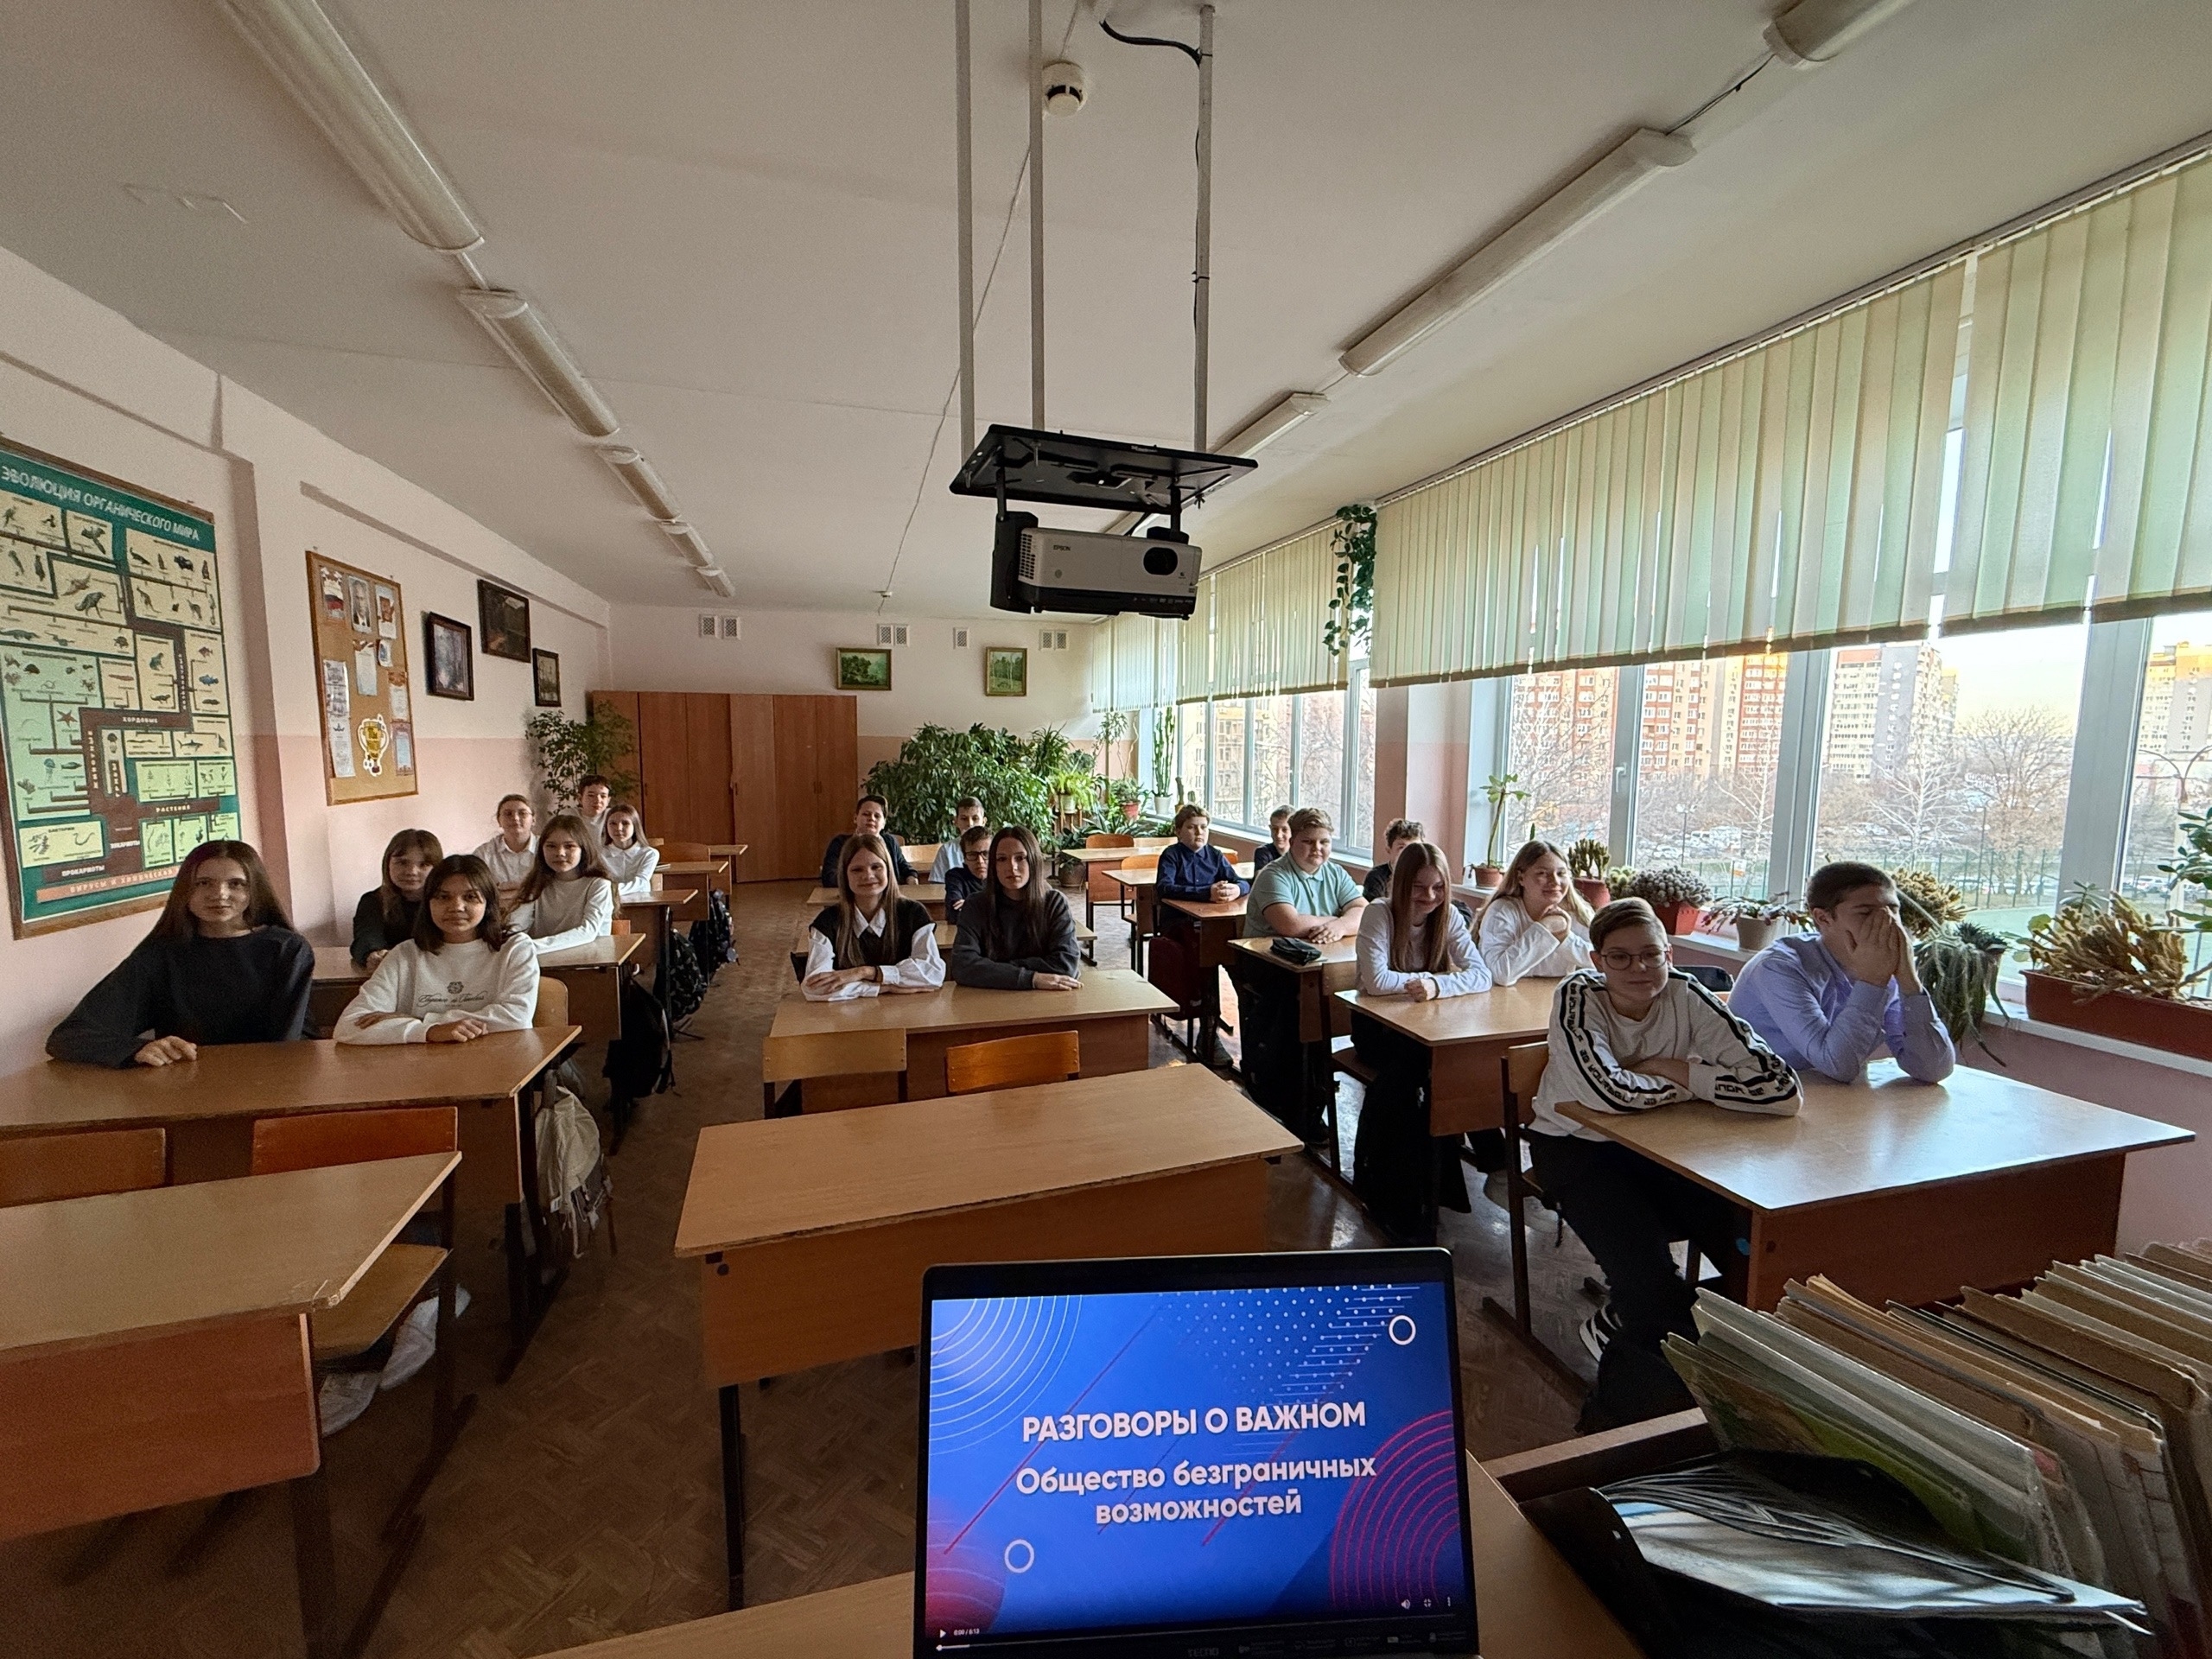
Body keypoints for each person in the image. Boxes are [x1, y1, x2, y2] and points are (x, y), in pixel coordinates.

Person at [1529, 898, 1800, 1428]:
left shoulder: (1686, 993)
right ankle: (1614, 1425)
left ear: (1668, 954)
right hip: (1576, 1146)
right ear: (1598, 961)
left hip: (1665, 1148)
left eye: (1651, 955)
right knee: (1650, 1286)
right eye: (1620, 957)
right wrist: (1689, 1084)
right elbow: (1605, 1095)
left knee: (1755, 1258)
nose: (1639, 968)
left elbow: (1780, 1089)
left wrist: (1678, 1071)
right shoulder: (1578, 996)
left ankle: (1641, 1325)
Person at [48, 840, 313, 1067]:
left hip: (267, 1082)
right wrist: (136, 1049)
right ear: (185, 890)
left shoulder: (286, 949)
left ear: (255, 890)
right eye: (204, 883)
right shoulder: (160, 955)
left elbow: (289, 1043)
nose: (219, 895)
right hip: (184, 1086)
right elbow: (70, 1035)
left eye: (236, 884)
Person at [1351, 842, 1495, 1235]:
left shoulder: (1448, 918)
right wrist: (1436, 980)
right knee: (1418, 1079)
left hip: (1426, 1027)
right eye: (1418, 887)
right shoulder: (1379, 914)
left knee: (1456, 1068)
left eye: (1438, 887)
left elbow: (1482, 975)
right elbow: (1376, 982)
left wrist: (1436, 985)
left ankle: (1438, 1186)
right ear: (1401, 885)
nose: (1429, 897)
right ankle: (1408, 1193)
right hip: (1377, 1029)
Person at [1730, 860, 1955, 1084]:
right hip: (1754, 1089)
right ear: (1823, 918)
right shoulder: (1777, 967)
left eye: (1893, 911)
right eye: (1866, 913)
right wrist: (1872, 981)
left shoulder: (1883, 966)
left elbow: (1933, 1069)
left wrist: (1910, 982)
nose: (1887, 923)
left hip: (1823, 1094)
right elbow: (1837, 1066)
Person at [334, 855, 540, 1044]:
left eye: (470, 897)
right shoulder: (405, 955)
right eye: (443, 897)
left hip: (499, 1061)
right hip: (420, 1067)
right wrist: (428, 1031)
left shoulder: (515, 948)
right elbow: (348, 1027)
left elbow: (516, 1018)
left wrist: (422, 1020)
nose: (456, 907)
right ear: (428, 904)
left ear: (488, 903)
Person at [802, 831, 944, 1001]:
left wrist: (866, 972)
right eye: (857, 870)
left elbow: (933, 973)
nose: (868, 875)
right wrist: (884, 987)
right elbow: (814, 988)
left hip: (905, 1010)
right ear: (845, 876)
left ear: (889, 870)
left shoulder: (913, 913)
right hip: (848, 1014)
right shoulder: (828, 921)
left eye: (876, 867)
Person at [949, 825, 1081, 989]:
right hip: (990, 1000)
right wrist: (1031, 978)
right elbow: (962, 966)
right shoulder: (975, 905)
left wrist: (997, 968)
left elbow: (1066, 965)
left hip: (1045, 1000)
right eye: (1001, 859)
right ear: (993, 865)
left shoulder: (1054, 903)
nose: (1012, 867)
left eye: (1020, 858)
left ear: (1033, 860)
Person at [1478, 840, 1594, 985]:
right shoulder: (1502, 911)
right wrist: (1545, 928)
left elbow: (1602, 964)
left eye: (1561, 873)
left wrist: (1565, 938)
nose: (1555, 881)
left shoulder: (1579, 914)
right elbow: (1500, 974)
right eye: (1542, 873)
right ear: (1521, 878)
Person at [1245, 807, 1366, 941]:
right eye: (1308, 842)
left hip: (1320, 950)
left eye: (1324, 842)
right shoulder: (1272, 876)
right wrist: (1339, 920)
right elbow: (1291, 925)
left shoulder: (1336, 873)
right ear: (1292, 842)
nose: (1317, 848)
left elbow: (1364, 912)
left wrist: (1341, 925)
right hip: (1269, 952)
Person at [510, 813, 616, 954]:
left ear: (583, 849)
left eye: (569, 846)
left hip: (587, 959)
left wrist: (530, 947)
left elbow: (588, 932)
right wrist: (510, 943)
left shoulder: (598, 885)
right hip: (540, 960)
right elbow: (516, 927)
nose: (560, 853)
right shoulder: (536, 883)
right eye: (551, 846)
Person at [350, 829, 443, 969]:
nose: (412, 871)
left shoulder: (446, 902)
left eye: (423, 865)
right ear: (387, 863)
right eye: (402, 863)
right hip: (392, 971)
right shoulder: (373, 900)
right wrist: (374, 954)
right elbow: (367, 936)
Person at [1156, 804, 1249, 903]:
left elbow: (1242, 883)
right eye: (1191, 827)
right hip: (1179, 911)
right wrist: (1206, 893)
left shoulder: (1215, 855)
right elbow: (1164, 888)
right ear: (1179, 832)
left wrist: (1237, 890)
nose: (1199, 832)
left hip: (1210, 910)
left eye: (1203, 827)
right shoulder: (1171, 855)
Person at [820, 794, 915, 888]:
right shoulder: (840, 843)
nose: (871, 819)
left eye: (877, 816)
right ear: (855, 818)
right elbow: (829, 877)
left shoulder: (890, 842)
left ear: (884, 824)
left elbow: (905, 868)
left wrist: (911, 878)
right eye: (866, 814)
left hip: (888, 895)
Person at [473, 794, 537, 896]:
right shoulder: (483, 854)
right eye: (508, 814)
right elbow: (476, 890)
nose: (515, 818)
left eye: (522, 813)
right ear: (499, 820)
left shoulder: (547, 848)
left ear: (533, 820)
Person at [598, 801, 662, 900]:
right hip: (608, 902)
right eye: (613, 824)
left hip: (641, 902)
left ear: (635, 826)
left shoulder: (649, 854)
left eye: (625, 823)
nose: (619, 828)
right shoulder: (598, 853)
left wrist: (611, 890)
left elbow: (641, 882)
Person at [1362, 818, 1425, 901]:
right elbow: (1376, 907)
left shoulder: (1426, 875)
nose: (1409, 853)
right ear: (1389, 849)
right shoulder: (1376, 877)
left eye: (1415, 848)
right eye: (1401, 847)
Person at [927, 798, 988, 882]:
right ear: (956, 821)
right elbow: (936, 884)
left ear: (984, 822)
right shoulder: (947, 850)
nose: (970, 824)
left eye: (975, 819)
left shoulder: (995, 847)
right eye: (964, 819)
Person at [944, 824, 993, 919]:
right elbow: (954, 912)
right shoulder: (955, 876)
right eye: (972, 855)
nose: (980, 861)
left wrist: (969, 905)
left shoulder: (1001, 876)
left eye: (986, 854)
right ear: (964, 858)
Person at [1251, 806, 1293, 872]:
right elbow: (1261, 877)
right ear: (1270, 828)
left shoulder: (1299, 854)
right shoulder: (1263, 852)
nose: (1279, 835)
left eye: (1284, 830)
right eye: (1275, 829)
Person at [576, 775, 613, 842]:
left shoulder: (612, 816)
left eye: (603, 796)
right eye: (591, 795)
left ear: (608, 800)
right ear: (580, 799)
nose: (598, 800)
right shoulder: (570, 816)